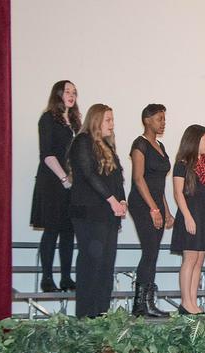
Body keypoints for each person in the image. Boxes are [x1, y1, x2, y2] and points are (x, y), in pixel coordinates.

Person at [68, 104, 126, 318]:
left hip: (108, 215)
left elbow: (117, 177)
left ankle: (102, 313)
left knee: (106, 265)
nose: (112, 124)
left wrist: (122, 200)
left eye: (112, 120)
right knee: (92, 262)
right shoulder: (82, 141)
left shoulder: (108, 146)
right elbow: (88, 173)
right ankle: (86, 315)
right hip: (89, 213)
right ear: (96, 121)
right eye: (108, 120)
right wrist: (111, 200)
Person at [30, 80, 81, 292]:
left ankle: (67, 278)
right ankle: (47, 278)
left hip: (71, 183)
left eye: (74, 92)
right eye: (67, 91)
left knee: (69, 231)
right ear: (58, 94)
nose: (71, 95)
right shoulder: (48, 118)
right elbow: (47, 155)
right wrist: (63, 178)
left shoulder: (76, 123)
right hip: (52, 181)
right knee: (52, 230)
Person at [128, 104, 174, 317]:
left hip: (156, 202)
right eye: (159, 119)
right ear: (147, 120)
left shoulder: (161, 146)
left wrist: (166, 209)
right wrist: (153, 209)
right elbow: (138, 178)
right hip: (142, 203)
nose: (163, 122)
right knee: (149, 251)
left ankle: (148, 303)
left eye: (164, 118)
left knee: (153, 253)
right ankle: (139, 305)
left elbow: (159, 184)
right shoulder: (140, 144)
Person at [170, 125, 205, 315]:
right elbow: (178, 193)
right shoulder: (182, 163)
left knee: (199, 260)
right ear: (194, 140)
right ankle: (186, 303)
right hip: (191, 213)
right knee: (189, 258)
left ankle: (193, 301)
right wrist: (187, 217)